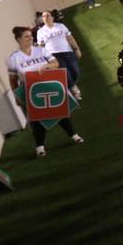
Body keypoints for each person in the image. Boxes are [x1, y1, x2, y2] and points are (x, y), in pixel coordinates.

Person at [7, 26, 84, 157]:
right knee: (36, 119)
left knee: (59, 112)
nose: (31, 38)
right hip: (30, 92)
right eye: (26, 36)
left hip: (49, 86)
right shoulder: (13, 58)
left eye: (31, 35)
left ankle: (74, 135)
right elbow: (13, 79)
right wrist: (16, 96)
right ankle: (40, 147)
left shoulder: (41, 50)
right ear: (18, 39)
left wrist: (47, 65)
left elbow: (56, 64)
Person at [37, 10, 84, 101]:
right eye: (43, 16)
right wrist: (44, 58)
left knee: (75, 71)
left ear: (52, 17)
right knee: (66, 73)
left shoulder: (60, 26)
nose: (45, 17)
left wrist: (76, 49)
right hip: (54, 55)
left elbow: (69, 37)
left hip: (67, 51)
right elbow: (41, 46)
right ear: (42, 19)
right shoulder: (40, 32)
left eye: (47, 15)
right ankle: (75, 91)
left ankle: (71, 84)